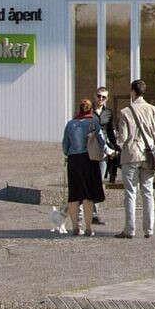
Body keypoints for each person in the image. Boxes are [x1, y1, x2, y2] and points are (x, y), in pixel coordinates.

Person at [115, 79, 155, 238]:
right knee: (148, 192)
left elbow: (122, 138)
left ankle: (129, 230)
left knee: (130, 193)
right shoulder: (154, 110)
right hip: (149, 155)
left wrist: (116, 141)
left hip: (131, 155)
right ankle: (149, 229)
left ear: (133, 91)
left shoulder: (125, 112)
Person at [58, 98, 106, 236]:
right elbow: (102, 141)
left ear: (79, 109)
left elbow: (65, 145)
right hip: (89, 160)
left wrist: (70, 152)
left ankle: (75, 228)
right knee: (88, 196)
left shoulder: (70, 124)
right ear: (91, 109)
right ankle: (89, 228)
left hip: (74, 160)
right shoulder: (94, 122)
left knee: (74, 195)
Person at [97, 83, 120, 193]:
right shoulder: (89, 111)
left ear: (107, 99)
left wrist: (115, 147)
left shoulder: (108, 113)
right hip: (90, 148)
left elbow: (110, 132)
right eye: (99, 96)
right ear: (95, 96)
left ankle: (96, 203)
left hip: (103, 148)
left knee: (100, 178)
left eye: (104, 97)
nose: (101, 99)